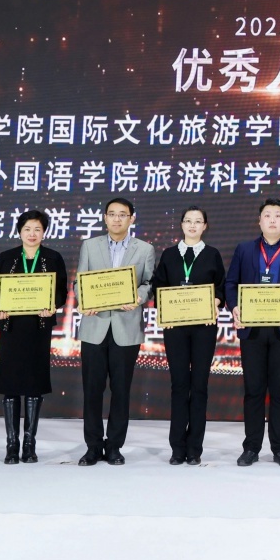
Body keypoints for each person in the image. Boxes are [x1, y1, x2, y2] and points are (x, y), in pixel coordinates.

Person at [224, 198, 280, 468]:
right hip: (252, 330)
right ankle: (251, 447)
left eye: (277, 215)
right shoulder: (244, 249)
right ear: (259, 221)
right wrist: (235, 307)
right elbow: (231, 283)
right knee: (253, 390)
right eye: (267, 215)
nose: (272, 219)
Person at [75, 197, 155, 467]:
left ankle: (114, 447)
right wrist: (83, 299)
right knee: (92, 390)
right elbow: (79, 281)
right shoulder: (90, 245)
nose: (117, 219)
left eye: (123, 214)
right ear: (105, 218)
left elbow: (149, 283)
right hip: (94, 326)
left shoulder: (145, 249)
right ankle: (92, 446)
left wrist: (139, 297)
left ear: (132, 218)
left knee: (121, 391)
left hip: (126, 327)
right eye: (112, 214)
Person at [0, 209, 68, 464]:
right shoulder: (6, 257)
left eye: (37, 229)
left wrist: (52, 305)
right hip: (12, 328)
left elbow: (61, 291)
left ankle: (29, 444)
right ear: (19, 231)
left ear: (44, 232)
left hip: (38, 327)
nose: (32, 234)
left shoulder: (53, 258)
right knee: (11, 384)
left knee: (34, 383)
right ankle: (12, 445)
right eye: (27, 229)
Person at [149, 206, 226, 466]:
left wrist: (216, 301)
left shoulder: (212, 254)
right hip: (176, 328)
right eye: (188, 221)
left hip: (204, 327)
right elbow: (158, 286)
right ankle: (177, 447)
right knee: (179, 385)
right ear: (181, 225)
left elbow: (221, 287)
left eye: (198, 221)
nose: (193, 225)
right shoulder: (169, 254)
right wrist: (166, 310)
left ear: (205, 226)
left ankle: (195, 449)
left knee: (200, 386)